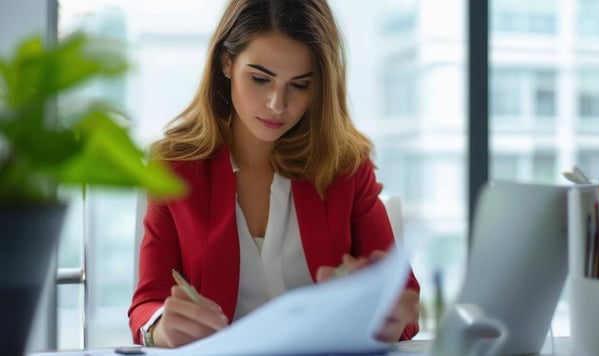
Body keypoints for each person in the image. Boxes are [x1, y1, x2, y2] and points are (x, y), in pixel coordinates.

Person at [128, 0, 420, 348]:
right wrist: (160, 327)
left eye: (299, 85)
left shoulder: (346, 168)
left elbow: (403, 302)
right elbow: (148, 303)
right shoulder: (174, 168)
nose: (277, 105)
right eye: (260, 79)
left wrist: (386, 317)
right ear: (226, 63)